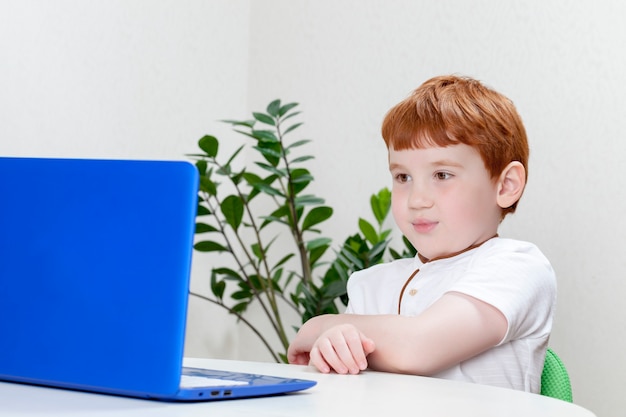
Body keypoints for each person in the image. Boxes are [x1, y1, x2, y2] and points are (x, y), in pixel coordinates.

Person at [287, 74, 557, 393]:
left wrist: (318, 326)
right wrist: (333, 348)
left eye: (442, 175)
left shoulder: (517, 267)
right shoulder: (372, 284)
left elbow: (417, 347)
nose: (417, 199)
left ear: (505, 185)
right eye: (403, 177)